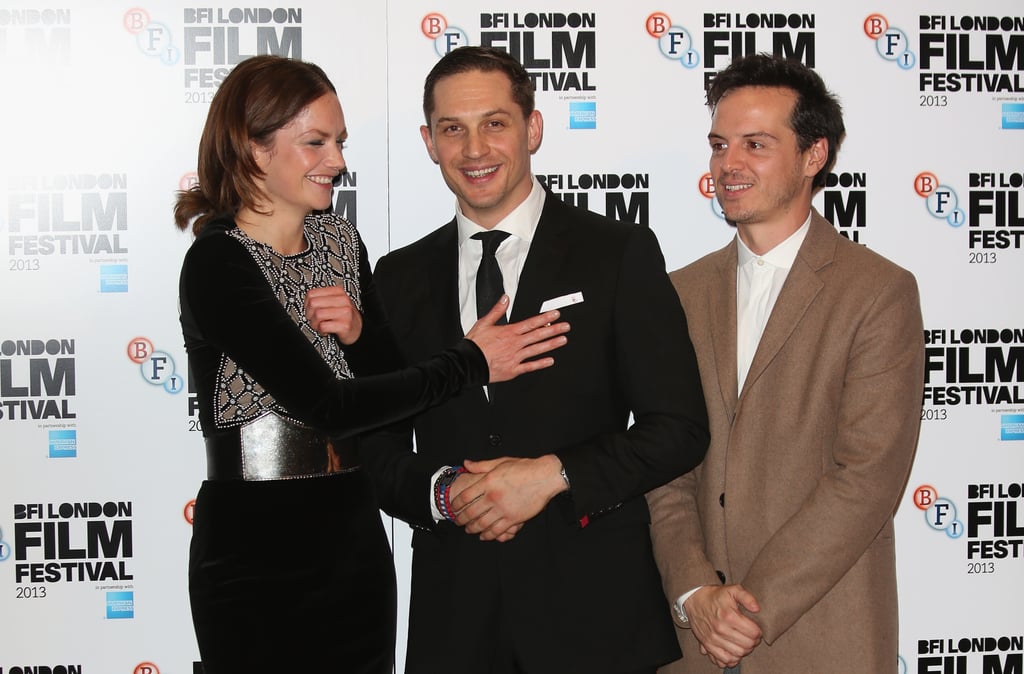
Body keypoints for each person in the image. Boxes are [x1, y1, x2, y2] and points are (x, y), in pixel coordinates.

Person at [174, 54, 570, 674]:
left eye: (339, 141)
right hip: (256, 544)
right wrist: (470, 361)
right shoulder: (217, 262)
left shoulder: (340, 242)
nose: (337, 160)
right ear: (253, 151)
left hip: (350, 531)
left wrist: (359, 336)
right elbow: (327, 406)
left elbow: (391, 388)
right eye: (315, 143)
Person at [360, 46, 709, 674]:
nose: (474, 149)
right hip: (455, 623)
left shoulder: (617, 253)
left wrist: (552, 474)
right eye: (452, 129)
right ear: (428, 141)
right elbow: (375, 451)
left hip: (596, 619)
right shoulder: (397, 278)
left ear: (534, 128)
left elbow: (678, 430)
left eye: (495, 123)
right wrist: (444, 494)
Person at [646, 53, 925, 673]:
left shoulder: (877, 291)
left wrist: (749, 609)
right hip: (694, 643)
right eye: (719, 145)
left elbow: (867, 476)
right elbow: (663, 467)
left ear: (813, 155)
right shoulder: (677, 294)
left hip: (824, 633)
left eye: (755, 144)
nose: (729, 165)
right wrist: (695, 593)